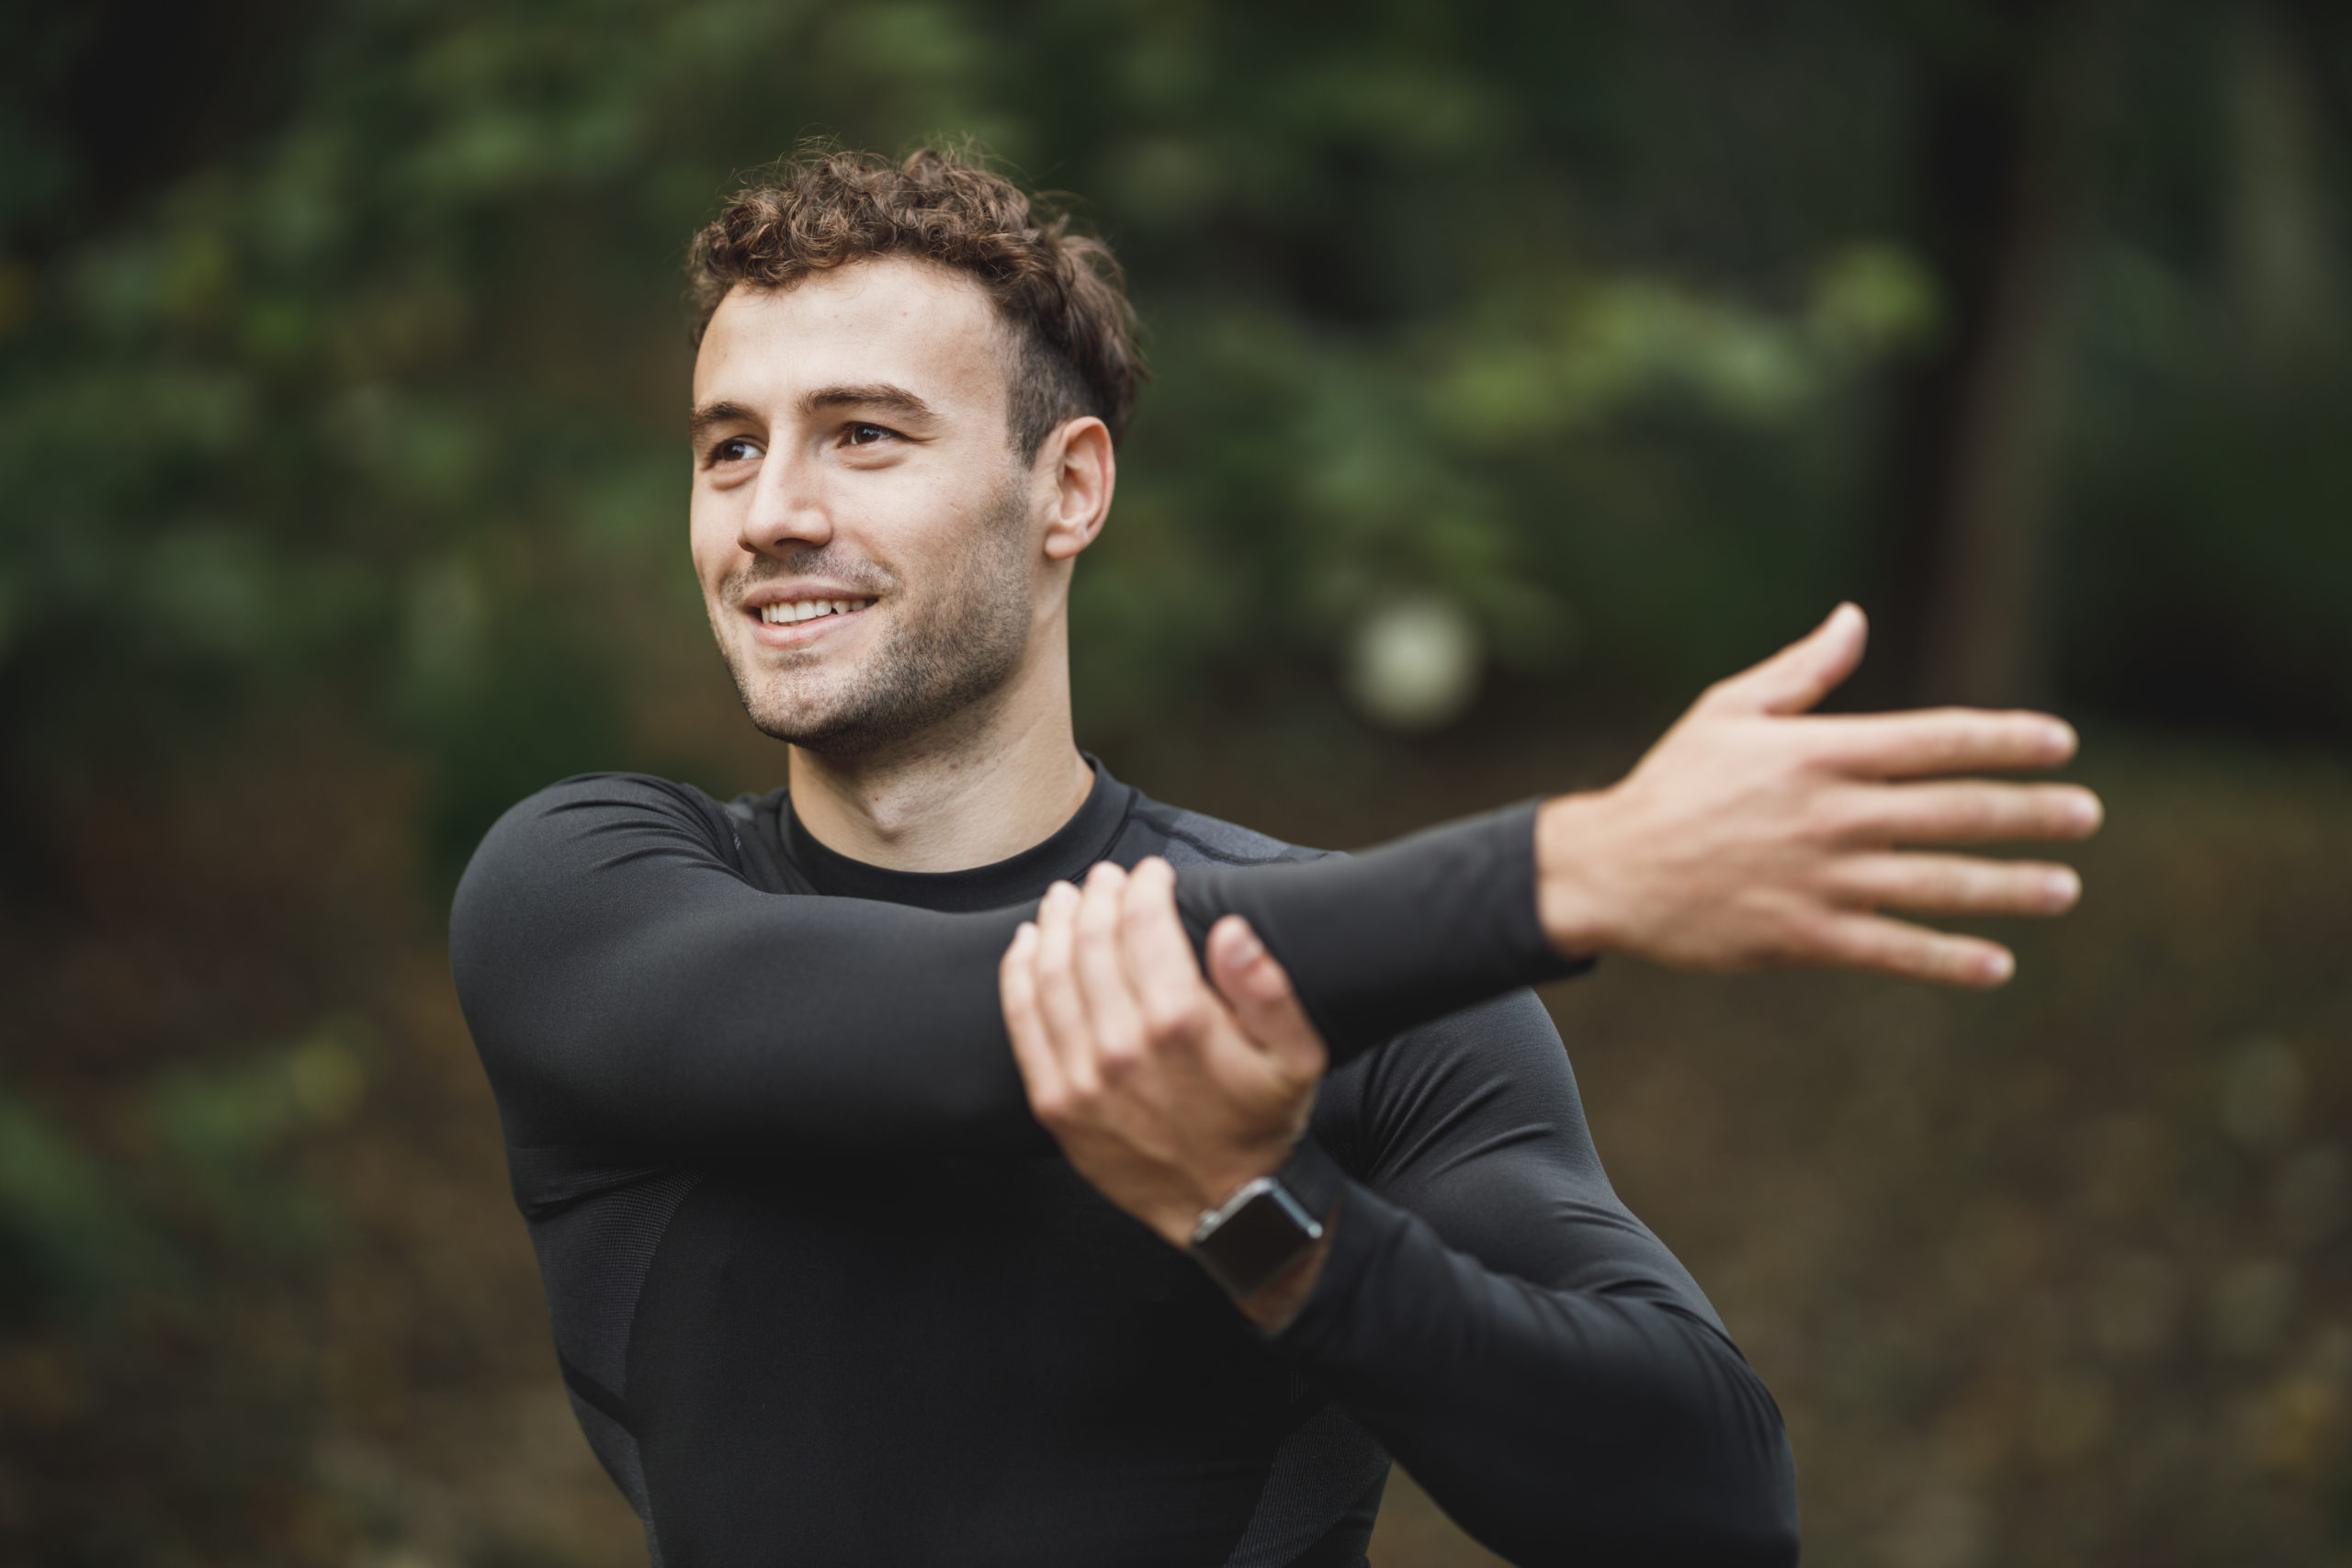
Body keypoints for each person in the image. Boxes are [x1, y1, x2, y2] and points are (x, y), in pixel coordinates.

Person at [449, 147, 2102, 1568]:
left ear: (1069, 487)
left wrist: (1262, 1218)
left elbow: (1711, 1507)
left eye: (864, 435)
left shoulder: (1369, 1014)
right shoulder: (584, 890)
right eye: (729, 445)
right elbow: (944, 1022)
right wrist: (1563, 874)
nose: (770, 512)